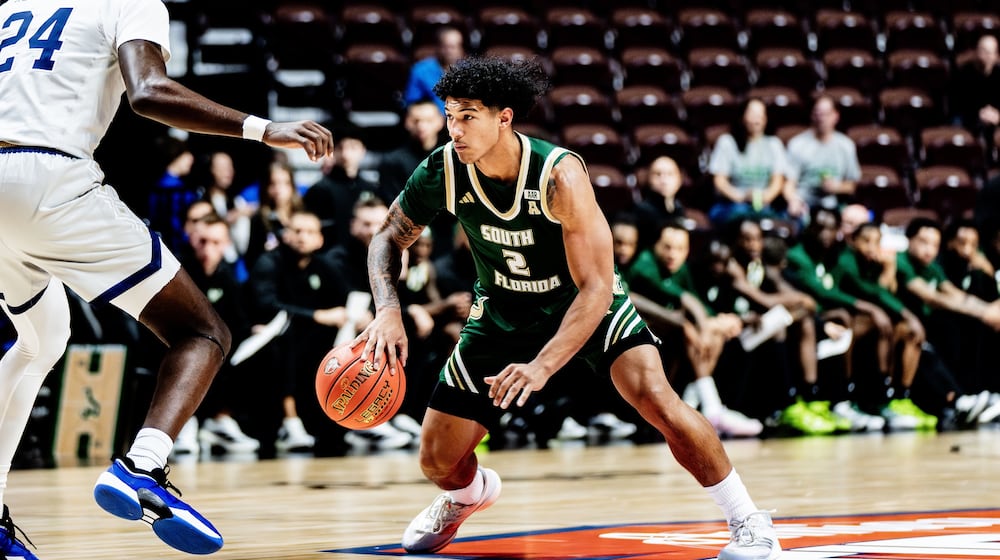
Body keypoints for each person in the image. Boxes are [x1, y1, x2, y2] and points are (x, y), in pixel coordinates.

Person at [357, 56, 780, 559]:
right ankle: (469, 496)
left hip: (581, 302)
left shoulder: (559, 176)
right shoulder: (442, 169)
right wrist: (388, 309)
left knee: (654, 396)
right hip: (501, 310)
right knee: (436, 460)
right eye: (450, 115)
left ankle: (749, 522)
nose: (455, 128)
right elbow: (387, 236)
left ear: (504, 118)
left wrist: (543, 365)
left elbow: (598, 286)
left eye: (468, 116)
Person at [0, 0, 333, 556]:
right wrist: (263, 129)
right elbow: (149, 92)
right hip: (49, 176)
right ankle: (141, 467)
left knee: (40, 341)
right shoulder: (129, 3)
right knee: (202, 333)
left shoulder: (12, 8)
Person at [707, 98, 788, 225]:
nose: (756, 119)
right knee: (741, 217)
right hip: (732, 203)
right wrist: (741, 197)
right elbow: (720, 181)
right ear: (742, 116)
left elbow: (778, 181)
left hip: (764, 204)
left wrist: (765, 197)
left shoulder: (774, 144)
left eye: (760, 115)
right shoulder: (727, 142)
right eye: (752, 114)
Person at [784, 95, 862, 215]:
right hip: (804, 204)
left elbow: (853, 184)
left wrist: (837, 187)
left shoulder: (846, 145)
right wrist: (793, 201)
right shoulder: (797, 144)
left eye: (826, 114)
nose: (821, 118)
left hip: (834, 205)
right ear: (812, 115)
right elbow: (788, 184)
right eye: (818, 113)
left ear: (836, 116)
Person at [404, 26, 466, 113]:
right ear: (438, 47)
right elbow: (413, 104)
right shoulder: (420, 70)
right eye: (446, 47)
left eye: (454, 47)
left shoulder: (470, 71)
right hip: (431, 120)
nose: (450, 51)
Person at [950, 34, 1000, 134]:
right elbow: (958, 104)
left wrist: (997, 114)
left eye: (989, 53)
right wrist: (978, 114)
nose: (985, 56)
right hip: (969, 118)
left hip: (994, 118)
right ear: (977, 52)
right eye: (982, 51)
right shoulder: (964, 73)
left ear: (996, 56)